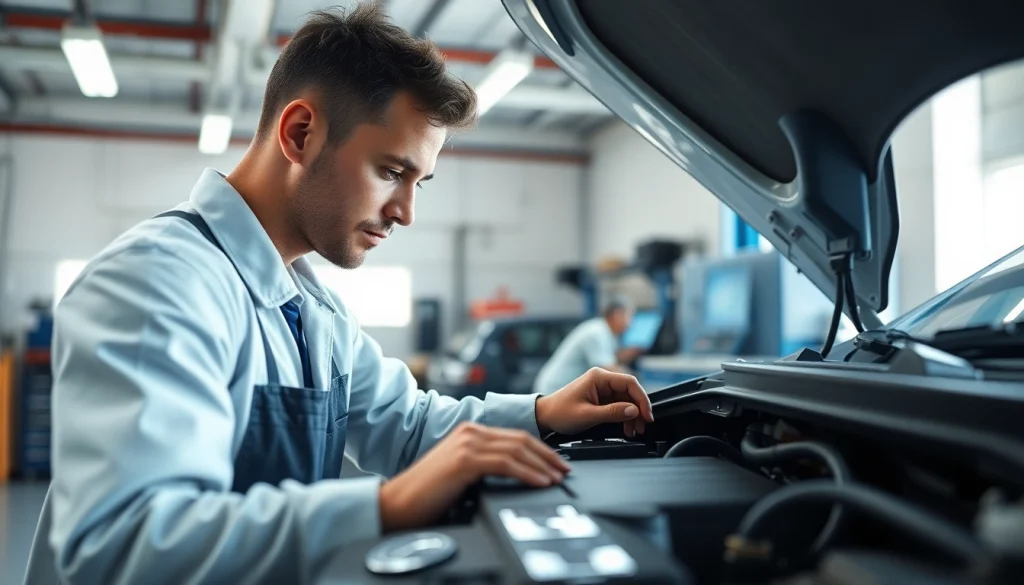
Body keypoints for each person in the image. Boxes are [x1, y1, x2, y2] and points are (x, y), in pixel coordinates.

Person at [22, 5, 653, 585]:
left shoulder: (311, 305)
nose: (405, 212)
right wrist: (387, 506)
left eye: (419, 182)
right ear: (300, 134)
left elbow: (405, 429)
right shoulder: (157, 284)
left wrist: (541, 413)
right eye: (390, 171)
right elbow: (123, 548)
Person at [533, 296, 644, 397]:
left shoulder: (605, 331)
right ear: (617, 314)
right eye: (630, 316)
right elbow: (607, 369)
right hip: (555, 390)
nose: (631, 323)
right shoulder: (596, 333)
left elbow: (613, 357)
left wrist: (634, 351)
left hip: (562, 390)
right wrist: (637, 380)